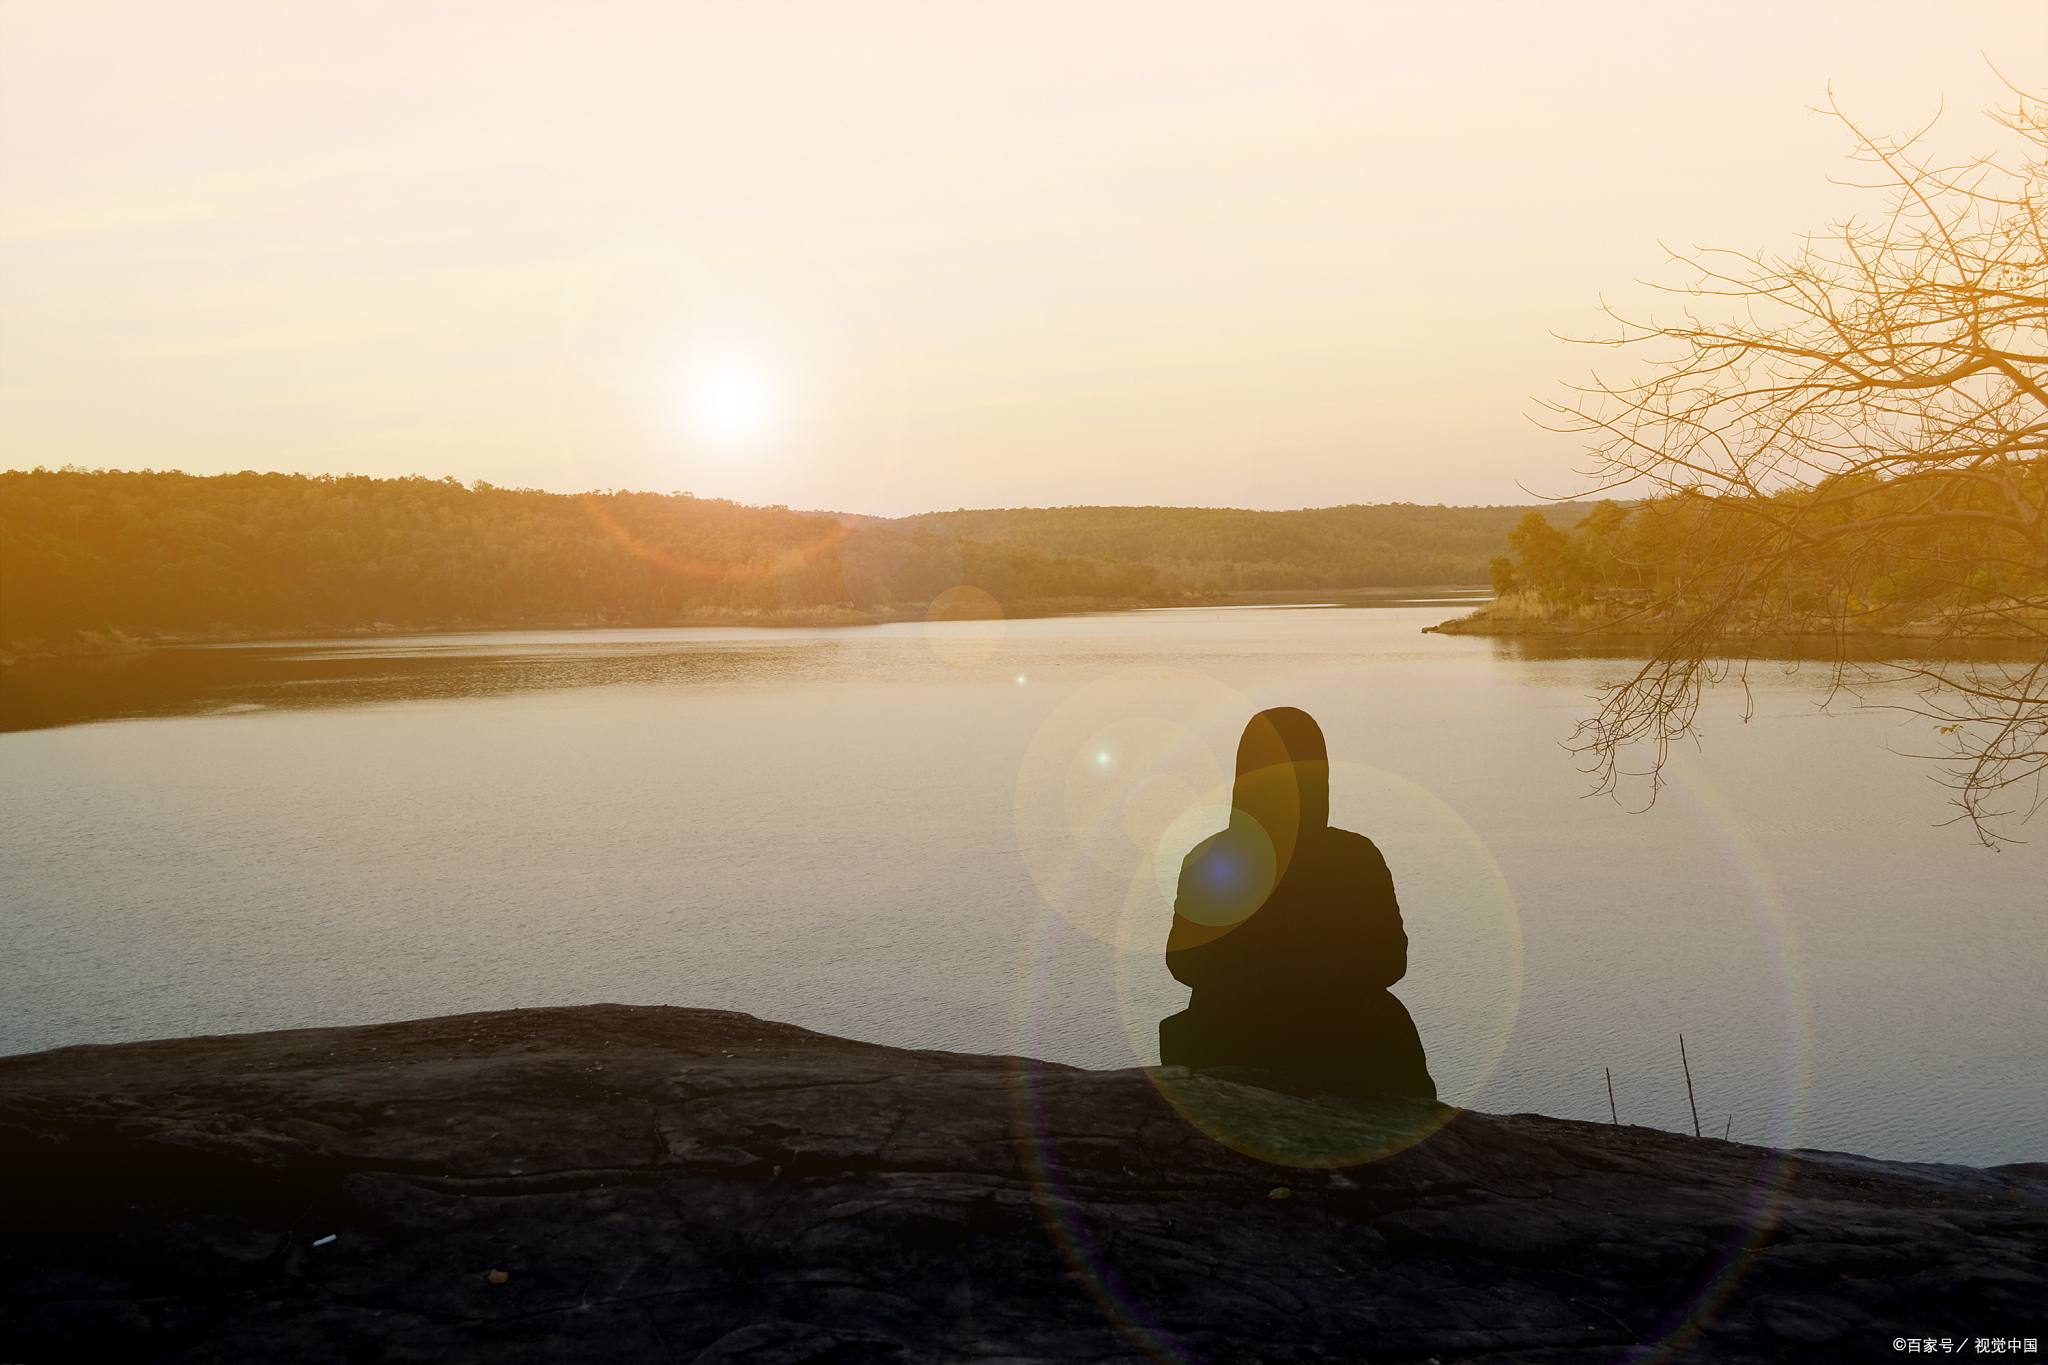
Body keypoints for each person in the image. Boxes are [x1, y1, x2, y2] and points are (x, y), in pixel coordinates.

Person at [1159, 707, 1436, 1098]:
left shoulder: (1209, 858)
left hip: (1231, 1042)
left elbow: (1183, 963)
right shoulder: (1357, 857)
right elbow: (1392, 963)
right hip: (1348, 1048)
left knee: (1187, 1028)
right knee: (1389, 1023)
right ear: (1319, 777)